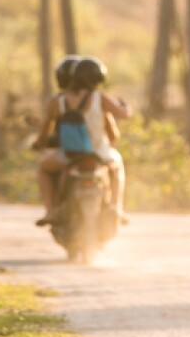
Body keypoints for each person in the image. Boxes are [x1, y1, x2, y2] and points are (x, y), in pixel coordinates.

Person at [32, 57, 131, 225]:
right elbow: (122, 118)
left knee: (43, 169)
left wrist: (39, 144)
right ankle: (116, 206)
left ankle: (50, 212)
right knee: (118, 165)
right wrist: (125, 106)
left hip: (70, 156)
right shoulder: (100, 98)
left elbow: (43, 134)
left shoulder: (57, 102)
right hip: (99, 154)